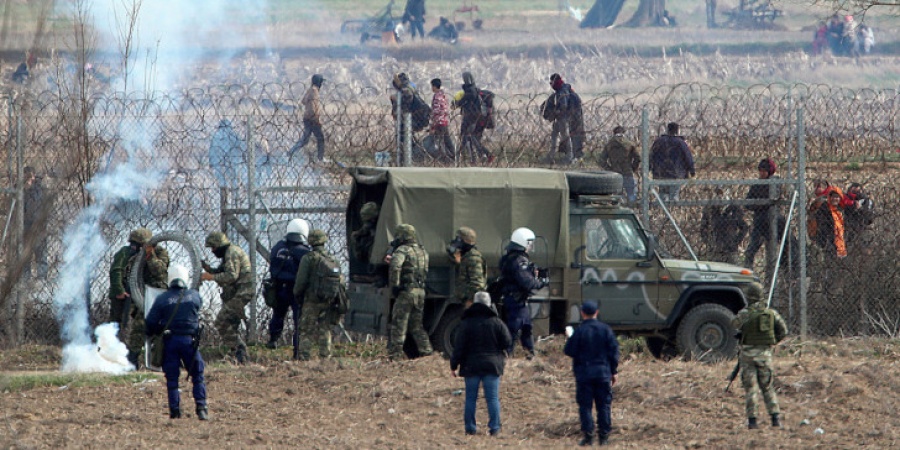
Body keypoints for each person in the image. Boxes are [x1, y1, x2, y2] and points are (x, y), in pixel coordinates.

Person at [145, 264, 208, 421]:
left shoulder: (162, 299)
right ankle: (201, 408)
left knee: (172, 378)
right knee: (197, 375)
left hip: (170, 341)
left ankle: (175, 411)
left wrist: (158, 330)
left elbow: (150, 324)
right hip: (190, 342)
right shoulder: (194, 296)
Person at [450, 291, 512, 437]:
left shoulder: (466, 323)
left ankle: (470, 428)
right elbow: (507, 341)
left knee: (471, 398)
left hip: (471, 365)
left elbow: (459, 347)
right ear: (489, 304)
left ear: (474, 303)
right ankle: (494, 428)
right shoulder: (496, 322)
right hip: (492, 365)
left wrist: (453, 365)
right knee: (492, 398)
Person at [108, 228, 170, 368]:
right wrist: (119, 289)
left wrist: (150, 255)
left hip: (155, 294)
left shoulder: (159, 253)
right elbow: (121, 271)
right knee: (118, 321)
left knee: (142, 325)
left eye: (138, 245)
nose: (134, 248)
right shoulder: (131, 255)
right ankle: (116, 357)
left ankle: (137, 359)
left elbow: (159, 272)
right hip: (136, 293)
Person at [731, 281, 788, 430]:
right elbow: (783, 331)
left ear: (748, 296)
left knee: (751, 389)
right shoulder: (771, 314)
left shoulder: (744, 314)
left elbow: (734, 324)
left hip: (747, 357)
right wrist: (773, 341)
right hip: (764, 355)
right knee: (768, 387)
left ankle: (752, 421)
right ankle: (775, 419)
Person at [564, 301, 619, 446]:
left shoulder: (580, 331)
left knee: (585, 406)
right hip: (603, 373)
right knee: (604, 406)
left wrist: (570, 337)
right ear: (597, 312)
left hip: (584, 374)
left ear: (582, 313)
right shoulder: (606, 329)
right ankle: (604, 437)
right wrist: (614, 372)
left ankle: (588, 436)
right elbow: (614, 353)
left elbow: (569, 351)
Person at [201, 231, 253, 364]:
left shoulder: (231, 253)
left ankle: (239, 349)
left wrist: (211, 277)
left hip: (242, 293)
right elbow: (221, 272)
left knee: (221, 321)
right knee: (231, 324)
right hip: (237, 293)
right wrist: (208, 269)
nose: (213, 251)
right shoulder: (228, 253)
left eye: (213, 247)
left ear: (219, 245)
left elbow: (231, 276)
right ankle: (237, 356)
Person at [498, 227, 548, 359]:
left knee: (526, 329)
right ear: (524, 243)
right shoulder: (518, 261)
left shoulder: (511, 258)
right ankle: (506, 357)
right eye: (529, 243)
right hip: (516, 302)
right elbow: (527, 282)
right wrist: (542, 282)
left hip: (517, 301)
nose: (531, 246)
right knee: (514, 331)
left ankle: (530, 356)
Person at [293, 229, 343, 361]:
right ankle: (325, 357)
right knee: (325, 329)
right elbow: (340, 281)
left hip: (311, 300)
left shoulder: (308, 258)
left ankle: (304, 357)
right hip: (328, 299)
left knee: (306, 330)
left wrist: (297, 294)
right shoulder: (333, 259)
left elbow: (301, 281)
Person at [387, 224, 433, 360]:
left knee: (398, 324)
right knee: (416, 325)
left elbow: (395, 267)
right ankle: (427, 352)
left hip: (406, 292)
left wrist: (395, 286)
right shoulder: (422, 251)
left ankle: (395, 355)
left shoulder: (402, 250)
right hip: (420, 292)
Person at [266, 218, 311, 352]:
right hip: (297, 289)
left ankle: (273, 339)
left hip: (279, 287)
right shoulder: (305, 251)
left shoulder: (278, 247)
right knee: (299, 319)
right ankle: (297, 349)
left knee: (278, 314)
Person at [453, 72, 493, 164]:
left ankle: (481, 156)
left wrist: (457, 103)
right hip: (476, 118)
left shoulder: (469, 91)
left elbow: (460, 103)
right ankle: (476, 158)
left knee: (468, 137)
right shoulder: (475, 89)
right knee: (470, 138)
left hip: (470, 118)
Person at [699, 188, 748, 265]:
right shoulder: (711, 208)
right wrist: (708, 242)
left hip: (730, 249)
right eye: (718, 194)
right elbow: (703, 227)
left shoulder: (734, 208)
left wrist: (736, 242)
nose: (720, 196)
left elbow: (744, 227)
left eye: (721, 193)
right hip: (715, 249)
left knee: (736, 268)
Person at [541, 73, 581, 165]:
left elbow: (563, 106)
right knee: (554, 136)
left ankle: (570, 157)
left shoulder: (562, 91)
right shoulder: (561, 90)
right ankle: (551, 156)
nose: (551, 85)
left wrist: (555, 113)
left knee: (565, 137)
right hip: (559, 119)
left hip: (563, 119)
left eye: (552, 83)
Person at [649, 122, 695, 201]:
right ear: (677, 131)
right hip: (676, 173)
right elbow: (688, 157)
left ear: (667, 130)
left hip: (661, 172)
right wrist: (692, 171)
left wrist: (649, 168)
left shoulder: (659, 141)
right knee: (674, 195)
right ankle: (672, 210)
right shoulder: (680, 143)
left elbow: (651, 155)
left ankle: (662, 210)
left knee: (662, 194)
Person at [289, 74, 327, 162]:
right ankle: (320, 158)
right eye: (321, 82)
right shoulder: (314, 91)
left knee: (305, 140)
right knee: (320, 138)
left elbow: (303, 101)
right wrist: (317, 119)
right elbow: (313, 107)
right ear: (319, 82)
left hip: (307, 118)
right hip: (312, 119)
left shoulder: (311, 89)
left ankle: (291, 152)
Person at [598, 126, 641, 203]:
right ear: (624, 133)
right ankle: (632, 209)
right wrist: (633, 168)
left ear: (614, 133)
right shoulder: (629, 143)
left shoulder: (609, 144)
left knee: (617, 196)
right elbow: (638, 158)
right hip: (627, 172)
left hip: (615, 173)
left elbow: (601, 160)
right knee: (631, 193)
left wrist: (609, 169)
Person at [447, 227, 486, 304]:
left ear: (465, 241)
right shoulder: (466, 256)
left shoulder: (473, 257)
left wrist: (470, 301)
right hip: (465, 299)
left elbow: (477, 285)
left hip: (470, 301)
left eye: (459, 239)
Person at [23, 166, 49, 279]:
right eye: (26, 176)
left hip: (38, 226)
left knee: (40, 255)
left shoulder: (39, 189)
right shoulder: (19, 188)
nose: (29, 179)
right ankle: (25, 279)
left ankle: (42, 278)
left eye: (30, 176)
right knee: (25, 257)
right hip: (24, 228)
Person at [813, 189, 847, 259]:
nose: (835, 199)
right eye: (833, 197)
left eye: (837, 197)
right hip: (827, 241)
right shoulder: (824, 209)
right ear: (829, 198)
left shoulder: (840, 210)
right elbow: (822, 224)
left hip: (839, 242)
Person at [429, 78, 455, 162]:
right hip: (444, 121)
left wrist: (433, 126)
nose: (431, 88)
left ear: (434, 86)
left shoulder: (436, 96)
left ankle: (445, 159)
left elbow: (436, 112)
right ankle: (453, 157)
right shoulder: (443, 95)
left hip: (439, 122)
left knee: (440, 142)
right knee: (447, 140)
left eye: (432, 86)